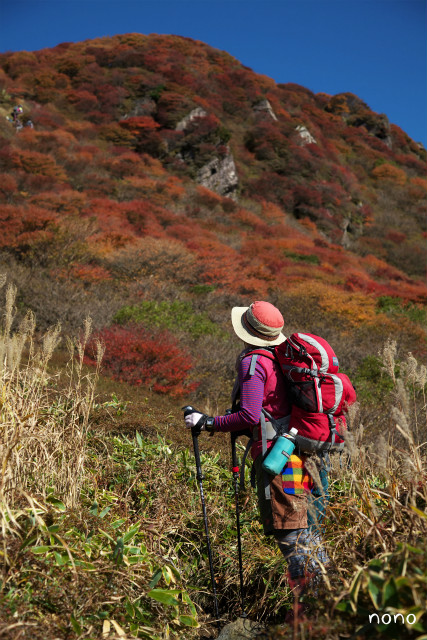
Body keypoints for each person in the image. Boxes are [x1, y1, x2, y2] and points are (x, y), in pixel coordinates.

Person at [184, 301, 329, 618]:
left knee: (291, 532)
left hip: (278, 459)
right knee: (306, 530)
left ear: (247, 332)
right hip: (299, 452)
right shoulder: (281, 358)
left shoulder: (253, 362)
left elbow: (249, 414)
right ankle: (323, 601)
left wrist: (207, 422)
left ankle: (310, 612)